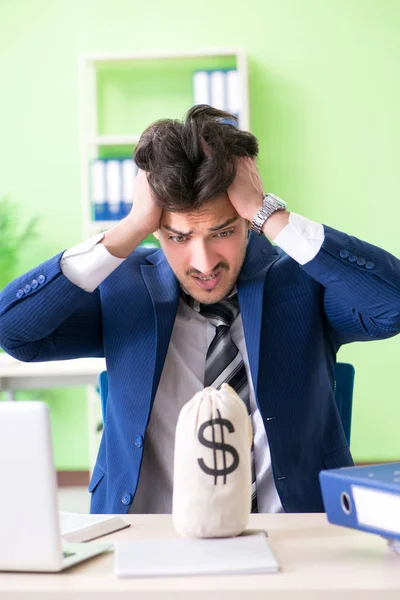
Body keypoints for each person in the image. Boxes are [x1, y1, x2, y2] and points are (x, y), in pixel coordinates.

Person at [0, 105, 399, 515]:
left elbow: (392, 305)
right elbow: (14, 332)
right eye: (179, 237)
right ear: (156, 230)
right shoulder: (125, 288)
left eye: (223, 231)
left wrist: (270, 213)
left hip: (293, 535)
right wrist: (130, 228)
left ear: (248, 221)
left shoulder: (301, 281)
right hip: (148, 535)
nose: (204, 263)